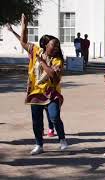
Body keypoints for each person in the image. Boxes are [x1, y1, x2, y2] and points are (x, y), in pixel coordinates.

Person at [7, 14, 68, 155]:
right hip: (35, 92)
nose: (56, 48)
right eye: (54, 45)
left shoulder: (57, 60)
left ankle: (62, 140)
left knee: (54, 117)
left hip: (51, 92)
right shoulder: (36, 51)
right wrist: (24, 26)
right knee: (37, 121)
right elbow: (23, 42)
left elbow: (53, 75)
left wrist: (42, 61)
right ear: (46, 45)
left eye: (58, 46)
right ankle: (39, 145)